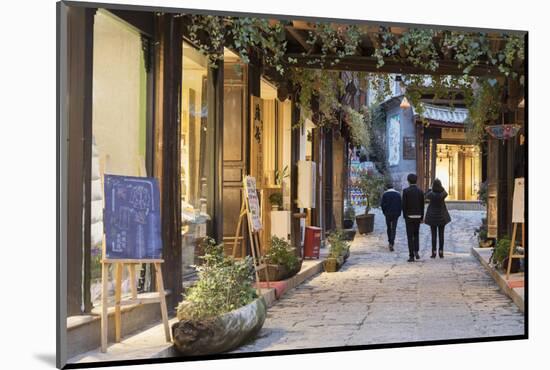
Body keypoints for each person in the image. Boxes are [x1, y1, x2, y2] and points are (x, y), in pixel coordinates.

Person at [424, 179, 451, 258]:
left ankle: (434, 252)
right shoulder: (443, 195)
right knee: (441, 234)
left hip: (432, 217)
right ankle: (441, 251)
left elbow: (426, 195)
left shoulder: (431, 195)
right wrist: (441, 187)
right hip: (442, 216)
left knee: (433, 235)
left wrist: (430, 188)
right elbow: (446, 192)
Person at [402, 173, 424, 262]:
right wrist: (422, 216)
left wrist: (404, 216)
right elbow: (422, 205)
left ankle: (411, 255)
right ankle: (416, 251)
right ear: (416, 180)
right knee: (416, 234)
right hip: (418, 216)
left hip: (409, 216)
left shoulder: (406, 191)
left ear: (408, 181)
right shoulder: (420, 191)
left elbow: (404, 205)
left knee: (410, 236)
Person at [380, 182, 402, 251]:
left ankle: (390, 241)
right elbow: (400, 204)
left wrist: (384, 212)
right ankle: (392, 242)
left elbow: (382, 205)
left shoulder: (385, 194)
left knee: (389, 227)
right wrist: (399, 213)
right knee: (394, 228)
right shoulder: (398, 194)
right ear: (393, 187)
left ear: (387, 188)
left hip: (388, 213)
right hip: (396, 213)